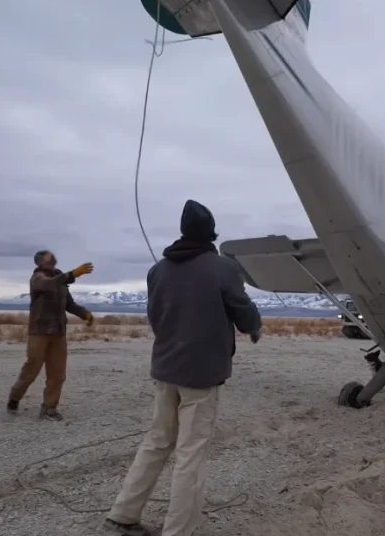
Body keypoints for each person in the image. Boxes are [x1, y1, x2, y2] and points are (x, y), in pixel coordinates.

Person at [105, 199, 262, 536]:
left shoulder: (157, 270)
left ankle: (122, 515)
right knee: (190, 452)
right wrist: (254, 328)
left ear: (183, 231)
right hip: (201, 374)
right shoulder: (223, 268)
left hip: (166, 369)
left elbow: (155, 317)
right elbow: (244, 311)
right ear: (211, 234)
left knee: (157, 441)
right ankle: (179, 531)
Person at [6, 251, 95, 421]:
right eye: (47, 256)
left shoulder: (60, 277)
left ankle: (49, 408)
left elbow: (69, 304)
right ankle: (15, 397)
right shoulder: (37, 278)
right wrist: (72, 274)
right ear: (39, 262)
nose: (52, 257)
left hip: (59, 333)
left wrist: (84, 314)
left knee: (57, 374)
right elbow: (47, 285)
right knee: (31, 370)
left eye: (52, 255)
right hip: (39, 332)